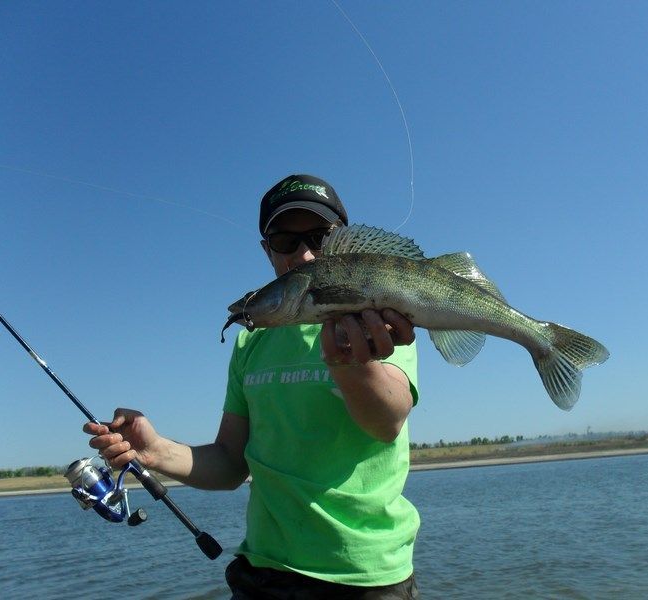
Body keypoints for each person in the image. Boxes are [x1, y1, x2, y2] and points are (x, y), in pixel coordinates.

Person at [85, 174, 421, 599]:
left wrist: (349, 361)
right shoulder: (251, 341)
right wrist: (154, 452)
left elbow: (387, 422)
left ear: (344, 241)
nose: (303, 254)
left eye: (319, 237)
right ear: (267, 251)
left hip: (366, 576)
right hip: (264, 572)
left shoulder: (379, 320)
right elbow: (230, 462)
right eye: (284, 241)